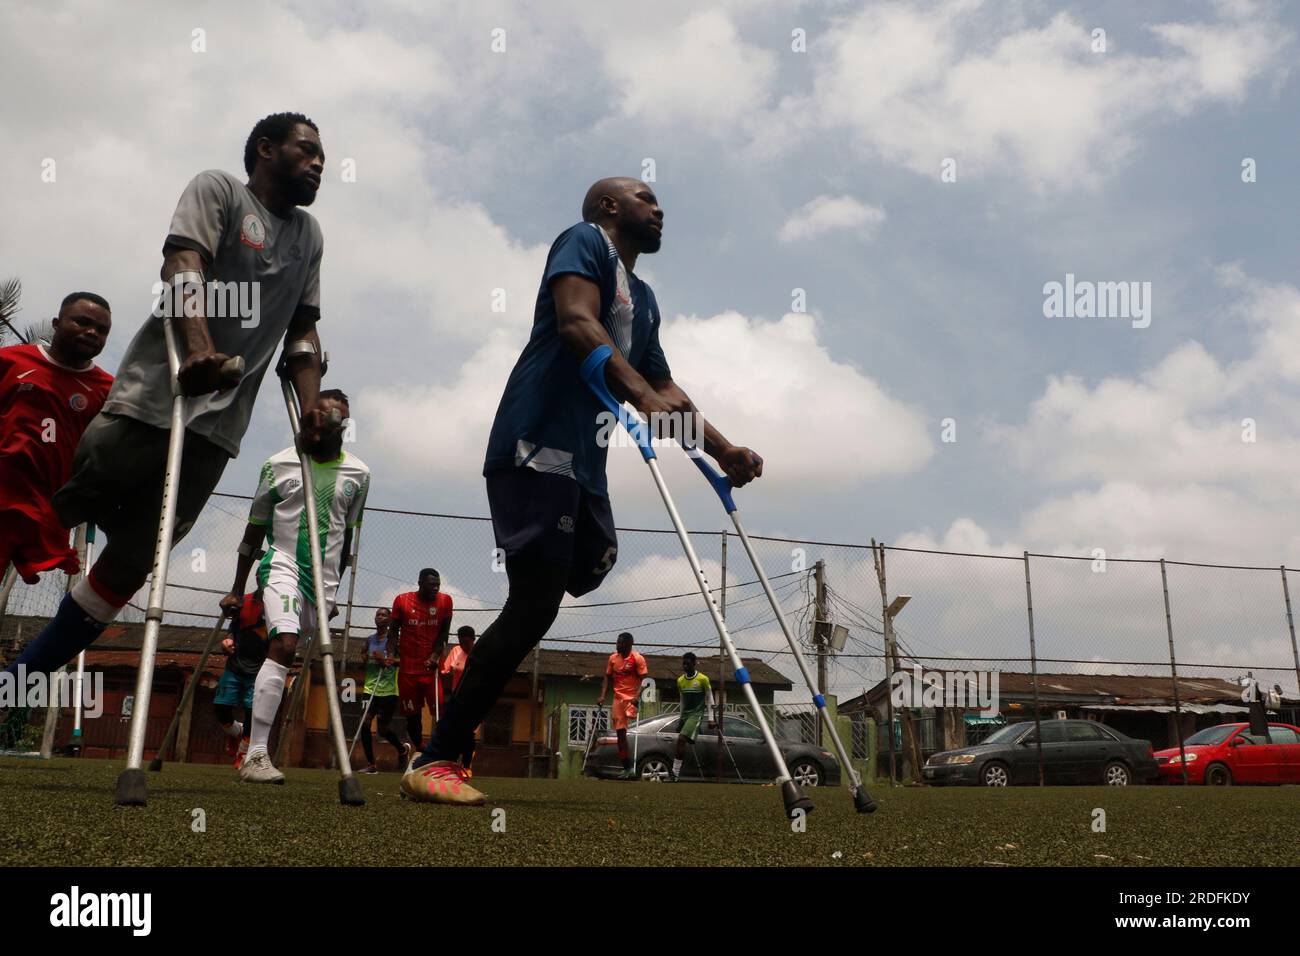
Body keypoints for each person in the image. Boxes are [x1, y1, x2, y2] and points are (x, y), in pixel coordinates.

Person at [402, 177, 762, 805]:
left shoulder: (644, 300)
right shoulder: (583, 242)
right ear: (609, 206)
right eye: (646, 199)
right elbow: (576, 325)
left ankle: (442, 748)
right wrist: (642, 397)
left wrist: (722, 449)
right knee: (535, 604)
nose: (660, 209)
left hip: (584, 468)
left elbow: (666, 391)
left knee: (591, 564)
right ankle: (437, 759)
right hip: (535, 445)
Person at [4, 113, 330, 683]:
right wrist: (199, 349)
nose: (319, 163)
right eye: (305, 151)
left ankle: (13, 684)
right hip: (153, 399)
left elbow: (302, 333)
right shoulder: (219, 189)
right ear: (265, 149)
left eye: (322, 155)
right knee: (42, 512)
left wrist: (312, 411)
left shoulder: (309, 237)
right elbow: (183, 264)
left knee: (133, 561)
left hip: (215, 432)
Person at [222, 388, 369, 784]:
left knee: (294, 655)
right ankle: (255, 755)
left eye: (329, 419)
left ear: (343, 427)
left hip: (322, 581)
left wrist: (333, 591)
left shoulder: (359, 473)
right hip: (281, 564)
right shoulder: (278, 465)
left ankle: (259, 749)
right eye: (313, 416)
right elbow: (253, 533)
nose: (317, 424)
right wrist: (237, 588)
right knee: (283, 644)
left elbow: (345, 536)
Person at [0, 293, 113, 584]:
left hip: (45, 511)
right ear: (56, 323)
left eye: (102, 330)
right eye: (82, 322)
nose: (92, 332)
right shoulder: (10, 361)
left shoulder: (108, 391)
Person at [389, 569, 453, 752]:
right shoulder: (402, 601)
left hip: (431, 669)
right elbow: (393, 631)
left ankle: (441, 749)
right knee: (412, 716)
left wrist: (434, 656)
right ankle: (419, 747)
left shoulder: (445, 601)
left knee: (439, 710)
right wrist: (390, 654)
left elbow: (444, 633)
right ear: (420, 583)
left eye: (438, 585)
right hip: (408, 671)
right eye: (431, 584)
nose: (435, 588)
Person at [214, 589, 269, 770]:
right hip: (235, 666)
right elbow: (232, 629)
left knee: (252, 712)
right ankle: (235, 731)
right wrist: (227, 642)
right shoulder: (243, 601)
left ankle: (243, 753)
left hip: (259, 670)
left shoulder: (279, 604)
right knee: (221, 708)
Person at [358, 607, 407, 773]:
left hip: (389, 690)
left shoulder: (394, 640)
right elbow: (363, 656)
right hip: (370, 688)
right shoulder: (369, 640)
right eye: (378, 614)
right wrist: (365, 658)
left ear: (390, 619)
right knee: (365, 723)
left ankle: (401, 749)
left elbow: (403, 662)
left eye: (384, 615)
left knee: (383, 729)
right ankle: (371, 764)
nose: (380, 617)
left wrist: (385, 660)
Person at [597, 632, 648, 780]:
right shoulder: (613, 658)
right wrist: (602, 695)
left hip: (632, 699)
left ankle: (632, 767)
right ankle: (627, 768)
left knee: (628, 731)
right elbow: (607, 677)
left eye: (620, 643)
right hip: (618, 699)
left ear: (629, 644)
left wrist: (637, 697)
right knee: (620, 733)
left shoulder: (637, 658)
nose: (617, 645)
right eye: (617, 642)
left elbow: (645, 680)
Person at [670, 651, 715, 782]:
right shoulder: (680, 681)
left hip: (696, 714)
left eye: (688, 663)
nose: (685, 666)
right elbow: (682, 701)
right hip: (685, 715)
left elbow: (709, 699)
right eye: (683, 663)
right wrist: (680, 718)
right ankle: (694, 733)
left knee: (681, 739)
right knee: (683, 741)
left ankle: (675, 774)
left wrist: (711, 718)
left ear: (694, 664)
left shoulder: (703, 679)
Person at [439, 625, 476, 774]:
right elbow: (445, 670)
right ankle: (452, 763)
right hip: (457, 697)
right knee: (453, 730)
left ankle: (466, 766)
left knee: (468, 732)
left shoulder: (479, 653)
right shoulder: (455, 651)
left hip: (474, 699)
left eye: (466, 642)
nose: (463, 646)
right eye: (461, 642)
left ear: (473, 640)